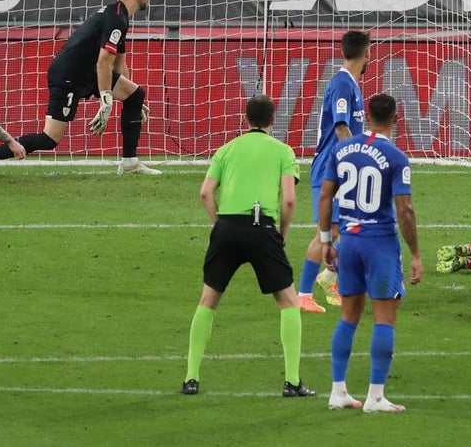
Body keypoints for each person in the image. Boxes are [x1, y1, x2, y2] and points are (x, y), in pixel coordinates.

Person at [181, 95, 313, 398]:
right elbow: (289, 199)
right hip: (261, 227)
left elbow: (205, 193)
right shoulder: (283, 151)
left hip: (226, 227)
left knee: (207, 302)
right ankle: (292, 382)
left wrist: (220, 224)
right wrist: (282, 233)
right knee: (289, 303)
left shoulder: (226, 150)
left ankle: (191, 378)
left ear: (246, 119)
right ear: (272, 120)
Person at [318, 93, 423, 412]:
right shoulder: (395, 156)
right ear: (395, 118)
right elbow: (404, 209)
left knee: (348, 316)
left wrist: (326, 240)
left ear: (365, 116)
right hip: (379, 243)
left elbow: (325, 196)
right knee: (384, 318)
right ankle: (375, 397)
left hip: (348, 241)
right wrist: (416, 253)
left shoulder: (342, 148)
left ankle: (338, 391)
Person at [0, 0, 159, 174]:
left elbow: (119, 65)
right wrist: (107, 101)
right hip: (68, 74)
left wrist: (131, 101)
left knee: (136, 94)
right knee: (49, 139)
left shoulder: (120, 16)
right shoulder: (116, 18)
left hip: (86, 72)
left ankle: (129, 163)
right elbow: (103, 63)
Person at [297, 31, 370, 314]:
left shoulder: (350, 83)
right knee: (328, 231)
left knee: (351, 226)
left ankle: (329, 276)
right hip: (332, 168)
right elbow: (341, 127)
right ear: (366, 54)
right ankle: (303, 294)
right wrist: (357, 157)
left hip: (341, 168)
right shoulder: (342, 84)